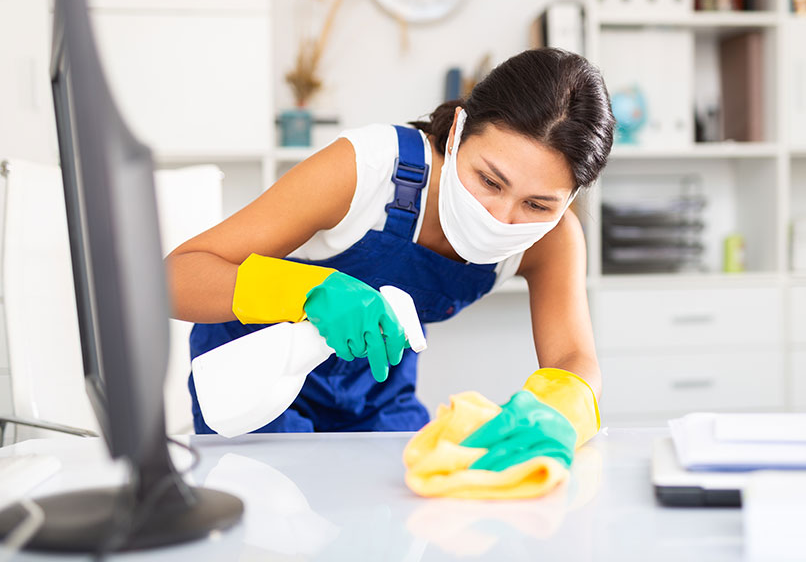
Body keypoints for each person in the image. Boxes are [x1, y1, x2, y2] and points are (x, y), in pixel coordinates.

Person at [166, 48, 615, 460]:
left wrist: (562, 409)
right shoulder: (369, 168)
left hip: (376, 391)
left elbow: (573, 358)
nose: (500, 216)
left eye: (537, 204)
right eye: (489, 181)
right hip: (257, 375)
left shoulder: (552, 240)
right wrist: (306, 291)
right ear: (458, 131)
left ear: (572, 195)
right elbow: (176, 277)